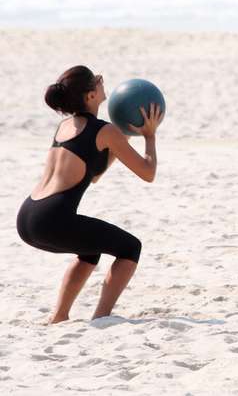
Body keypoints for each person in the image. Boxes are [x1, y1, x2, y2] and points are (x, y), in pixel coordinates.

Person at [17, 66, 161, 324]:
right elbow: (148, 173)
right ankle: (101, 317)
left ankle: (59, 316)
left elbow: (93, 175)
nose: (102, 82)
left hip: (28, 217)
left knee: (90, 250)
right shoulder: (105, 131)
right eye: (97, 81)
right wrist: (149, 137)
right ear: (90, 96)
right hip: (51, 221)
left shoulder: (65, 126)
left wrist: (118, 145)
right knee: (130, 247)